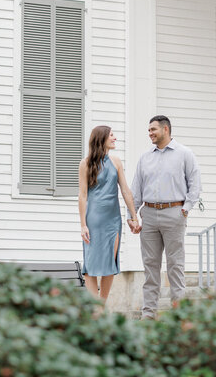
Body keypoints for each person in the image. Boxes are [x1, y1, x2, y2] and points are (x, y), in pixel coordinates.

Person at [129, 115, 200, 319]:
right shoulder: (145, 158)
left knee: (175, 265)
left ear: (166, 129)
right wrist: (132, 215)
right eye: (149, 130)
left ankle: (179, 314)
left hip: (174, 213)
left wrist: (185, 209)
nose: (150, 133)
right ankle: (148, 314)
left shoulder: (185, 154)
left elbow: (195, 184)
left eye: (153, 130)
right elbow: (136, 189)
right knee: (150, 267)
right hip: (149, 215)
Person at [77, 124, 139, 301]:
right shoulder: (85, 164)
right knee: (91, 262)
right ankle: (93, 304)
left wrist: (134, 216)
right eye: (111, 135)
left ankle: (101, 305)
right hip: (94, 218)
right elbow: (82, 196)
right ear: (102, 138)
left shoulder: (116, 161)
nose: (115, 138)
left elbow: (125, 191)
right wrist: (83, 225)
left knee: (110, 263)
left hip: (113, 219)